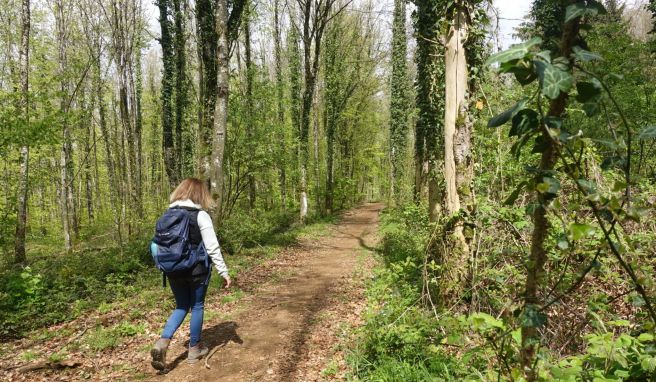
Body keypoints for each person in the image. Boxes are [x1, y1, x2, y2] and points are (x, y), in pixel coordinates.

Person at [150, 178, 231, 370]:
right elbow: (212, 247)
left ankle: (162, 342)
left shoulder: (166, 215)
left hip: (173, 269)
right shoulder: (200, 215)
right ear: (199, 194)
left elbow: (156, 245)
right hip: (196, 270)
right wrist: (224, 271)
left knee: (181, 306)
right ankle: (194, 349)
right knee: (197, 306)